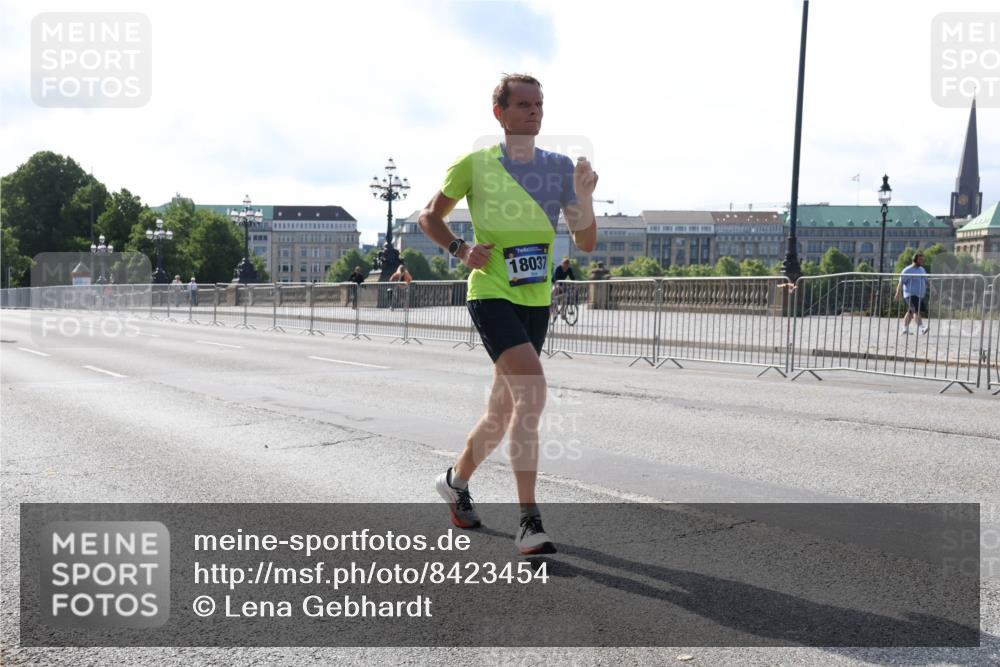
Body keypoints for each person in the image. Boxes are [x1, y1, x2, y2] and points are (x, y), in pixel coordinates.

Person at [418, 73, 598, 555]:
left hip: (536, 300)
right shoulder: (474, 164)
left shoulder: (559, 167)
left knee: (501, 411)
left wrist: (584, 195)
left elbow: (585, 241)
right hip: (491, 292)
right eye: (522, 105)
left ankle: (455, 481)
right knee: (532, 394)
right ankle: (528, 520)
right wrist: (459, 248)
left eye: (538, 104)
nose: (534, 112)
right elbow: (429, 217)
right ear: (499, 113)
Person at [895, 253, 929, 335]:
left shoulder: (922, 269)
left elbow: (926, 281)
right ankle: (922, 328)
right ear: (915, 260)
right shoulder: (907, 270)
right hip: (910, 294)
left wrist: (934, 289)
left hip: (919, 295)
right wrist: (897, 293)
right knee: (916, 311)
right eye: (920, 259)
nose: (922, 261)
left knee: (910, 312)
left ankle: (904, 329)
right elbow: (901, 282)